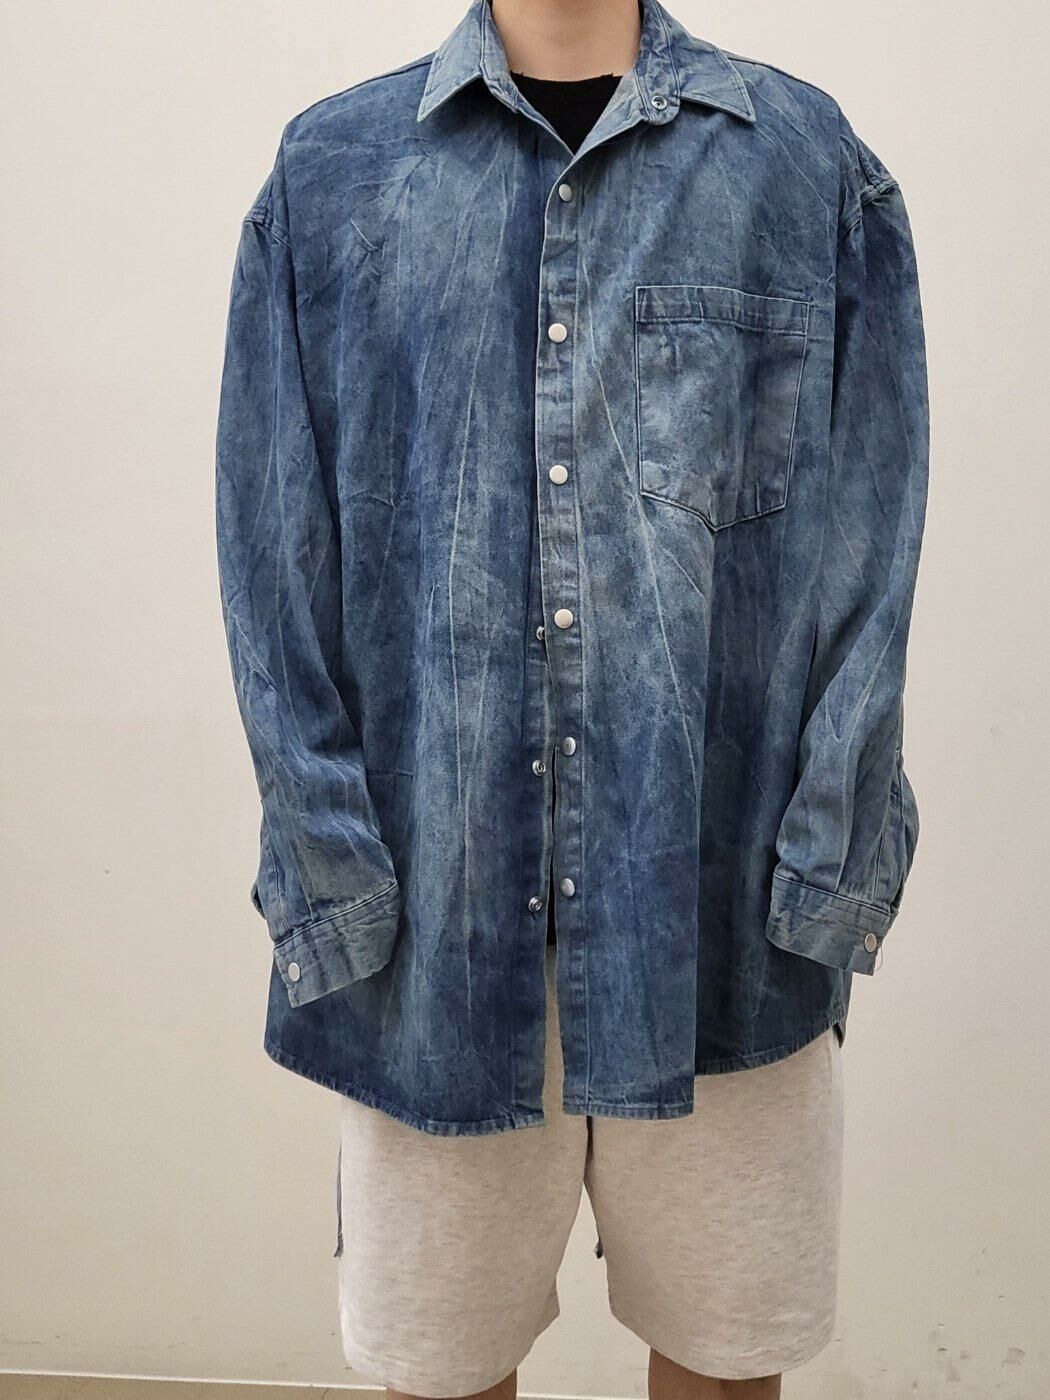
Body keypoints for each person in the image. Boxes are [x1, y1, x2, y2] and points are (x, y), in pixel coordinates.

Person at [214, 0, 930, 1396]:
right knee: (441, 1371)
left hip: (720, 921)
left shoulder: (801, 167)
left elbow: (871, 548)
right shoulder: (333, 174)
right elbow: (272, 569)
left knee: (727, 1363)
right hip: (436, 930)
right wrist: (331, 876)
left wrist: (826, 867)